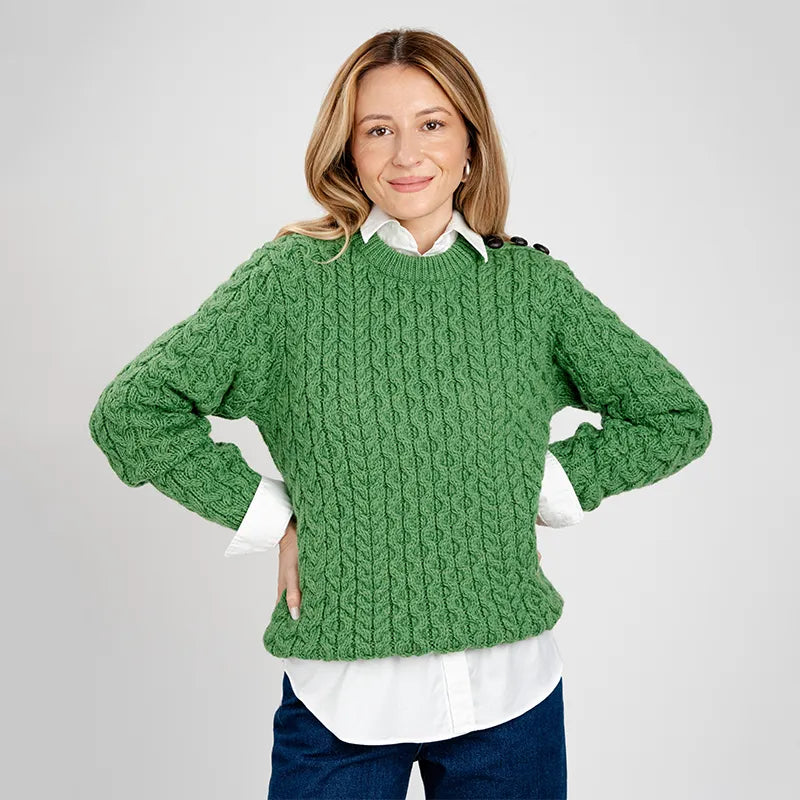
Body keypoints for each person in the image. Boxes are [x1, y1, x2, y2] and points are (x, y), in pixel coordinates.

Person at [88, 27, 713, 800]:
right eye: (378, 130)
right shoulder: (291, 282)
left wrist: (543, 484)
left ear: (471, 145)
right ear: (348, 151)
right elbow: (133, 413)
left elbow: (673, 416)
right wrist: (275, 517)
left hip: (510, 700)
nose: (407, 154)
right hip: (342, 704)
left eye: (432, 124)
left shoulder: (531, 290)